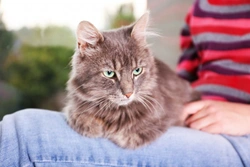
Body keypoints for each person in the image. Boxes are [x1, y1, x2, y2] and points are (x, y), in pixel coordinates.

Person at [1, 0, 250, 166]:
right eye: (112, 75)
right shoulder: (204, 6)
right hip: (196, 118)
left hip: (242, 137)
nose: (129, 91)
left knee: (24, 135)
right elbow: (186, 75)